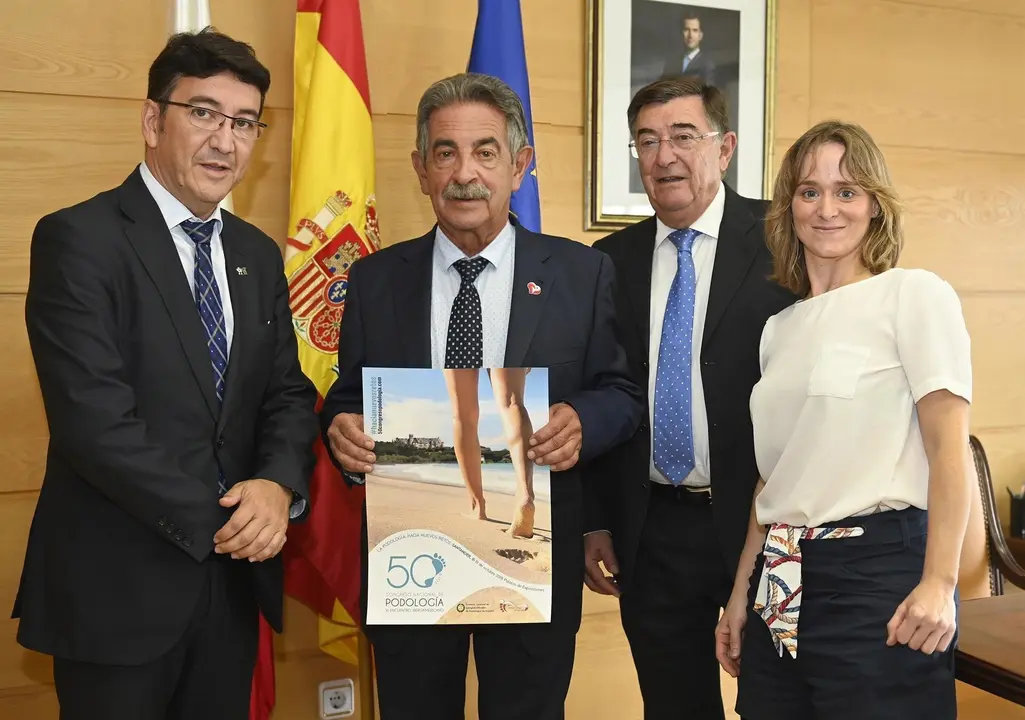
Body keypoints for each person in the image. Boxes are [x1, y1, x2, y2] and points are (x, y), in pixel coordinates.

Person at [12, 28, 318, 720]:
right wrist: (224, 517)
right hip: (117, 595)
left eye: (244, 123)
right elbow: (93, 422)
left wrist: (275, 486)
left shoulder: (256, 255)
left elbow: (286, 394)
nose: (225, 140)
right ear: (153, 121)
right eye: (203, 113)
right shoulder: (80, 240)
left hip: (231, 595)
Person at [320, 71, 645, 720]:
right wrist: (340, 429)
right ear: (420, 168)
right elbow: (347, 395)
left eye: (485, 152)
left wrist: (581, 419)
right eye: (445, 152)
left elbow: (621, 391)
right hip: (412, 552)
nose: (464, 173)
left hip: (534, 553)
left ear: (520, 165)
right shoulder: (376, 279)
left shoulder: (581, 274)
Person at [716, 120, 971, 720]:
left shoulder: (914, 295)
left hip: (877, 576)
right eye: (809, 192)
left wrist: (940, 582)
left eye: (846, 191)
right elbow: (773, 482)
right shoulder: (778, 329)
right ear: (789, 209)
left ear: (876, 207)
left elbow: (949, 451)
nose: (827, 208)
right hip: (779, 579)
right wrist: (738, 596)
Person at [582, 76, 797, 719]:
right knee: (674, 706)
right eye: (646, 141)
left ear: (725, 148)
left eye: (683, 136)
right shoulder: (607, 261)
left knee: (774, 701)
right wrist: (595, 517)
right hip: (651, 530)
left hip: (764, 521)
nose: (663, 156)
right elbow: (599, 392)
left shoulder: (785, 238)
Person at [444, 367, 537, 537]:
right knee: (512, 403)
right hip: (506, 339)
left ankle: (477, 507)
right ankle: (525, 495)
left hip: (458, 340)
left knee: (463, 416)